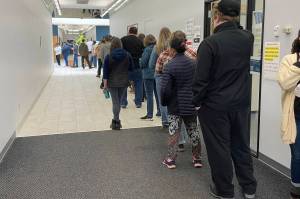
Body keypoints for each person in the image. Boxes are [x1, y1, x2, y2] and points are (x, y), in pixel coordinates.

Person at [192, 0, 257, 198]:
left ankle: (225, 190)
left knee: (219, 149)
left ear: (216, 15)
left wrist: (196, 103)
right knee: (241, 146)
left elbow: (200, 81)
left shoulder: (209, 43)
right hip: (241, 104)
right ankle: (249, 189)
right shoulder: (248, 38)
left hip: (215, 107)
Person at [161, 31, 202, 169]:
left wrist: (165, 102)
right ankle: (197, 158)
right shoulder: (194, 64)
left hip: (175, 106)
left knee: (174, 132)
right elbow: (198, 84)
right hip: (190, 104)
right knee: (194, 131)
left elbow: (165, 89)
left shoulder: (169, 66)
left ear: (172, 48)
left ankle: (170, 160)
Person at [155, 30, 197, 151]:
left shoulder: (164, 55)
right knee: (192, 124)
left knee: (174, 121)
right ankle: (197, 156)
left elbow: (158, 72)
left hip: (173, 96)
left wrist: (163, 99)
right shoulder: (193, 53)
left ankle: (172, 156)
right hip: (189, 94)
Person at [278, 30, 300, 199]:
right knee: (298, 153)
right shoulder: (289, 60)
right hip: (296, 115)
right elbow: (285, 83)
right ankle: (296, 187)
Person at [103, 37, 133, 130]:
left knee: (115, 102)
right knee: (118, 102)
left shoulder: (109, 56)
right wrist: (131, 81)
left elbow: (105, 73)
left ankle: (116, 122)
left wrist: (105, 86)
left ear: (112, 45)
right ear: (121, 45)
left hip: (112, 83)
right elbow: (131, 68)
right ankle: (116, 121)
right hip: (124, 82)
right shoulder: (127, 55)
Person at [149, 27, 172, 128]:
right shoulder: (173, 46)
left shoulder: (156, 47)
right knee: (172, 99)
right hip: (172, 75)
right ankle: (173, 120)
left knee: (162, 99)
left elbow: (151, 64)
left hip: (160, 76)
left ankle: (165, 121)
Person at [121, 27, 144, 108]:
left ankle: (123, 102)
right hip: (137, 65)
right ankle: (138, 103)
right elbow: (142, 53)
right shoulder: (140, 41)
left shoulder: (123, 39)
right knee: (138, 84)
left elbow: (121, 52)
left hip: (125, 66)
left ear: (128, 31)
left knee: (124, 84)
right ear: (136, 32)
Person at [140, 34, 159, 121]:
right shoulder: (158, 48)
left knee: (149, 95)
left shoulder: (147, 49)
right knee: (157, 94)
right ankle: (159, 111)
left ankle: (149, 114)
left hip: (148, 75)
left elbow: (143, 62)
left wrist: (140, 63)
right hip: (156, 73)